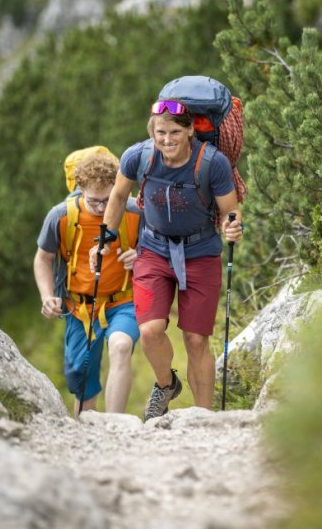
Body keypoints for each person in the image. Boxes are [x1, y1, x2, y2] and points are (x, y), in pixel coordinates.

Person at [95, 98, 243, 420]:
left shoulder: (211, 163)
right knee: (149, 330)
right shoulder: (139, 156)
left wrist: (233, 227)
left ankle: (203, 418)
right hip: (154, 249)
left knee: (196, 339)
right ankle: (166, 385)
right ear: (152, 131)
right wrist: (108, 233)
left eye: (175, 131)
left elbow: (230, 209)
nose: (167, 139)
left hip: (201, 252)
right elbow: (119, 195)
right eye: (160, 132)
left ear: (190, 130)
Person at [33, 150, 142, 416]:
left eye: (109, 199)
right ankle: (88, 432)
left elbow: (158, 251)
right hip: (80, 309)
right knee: (82, 382)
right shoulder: (60, 216)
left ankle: (115, 426)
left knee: (121, 345)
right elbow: (43, 259)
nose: (104, 208)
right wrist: (47, 296)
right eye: (95, 202)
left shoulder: (135, 211)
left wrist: (141, 257)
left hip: (124, 301)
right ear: (80, 188)